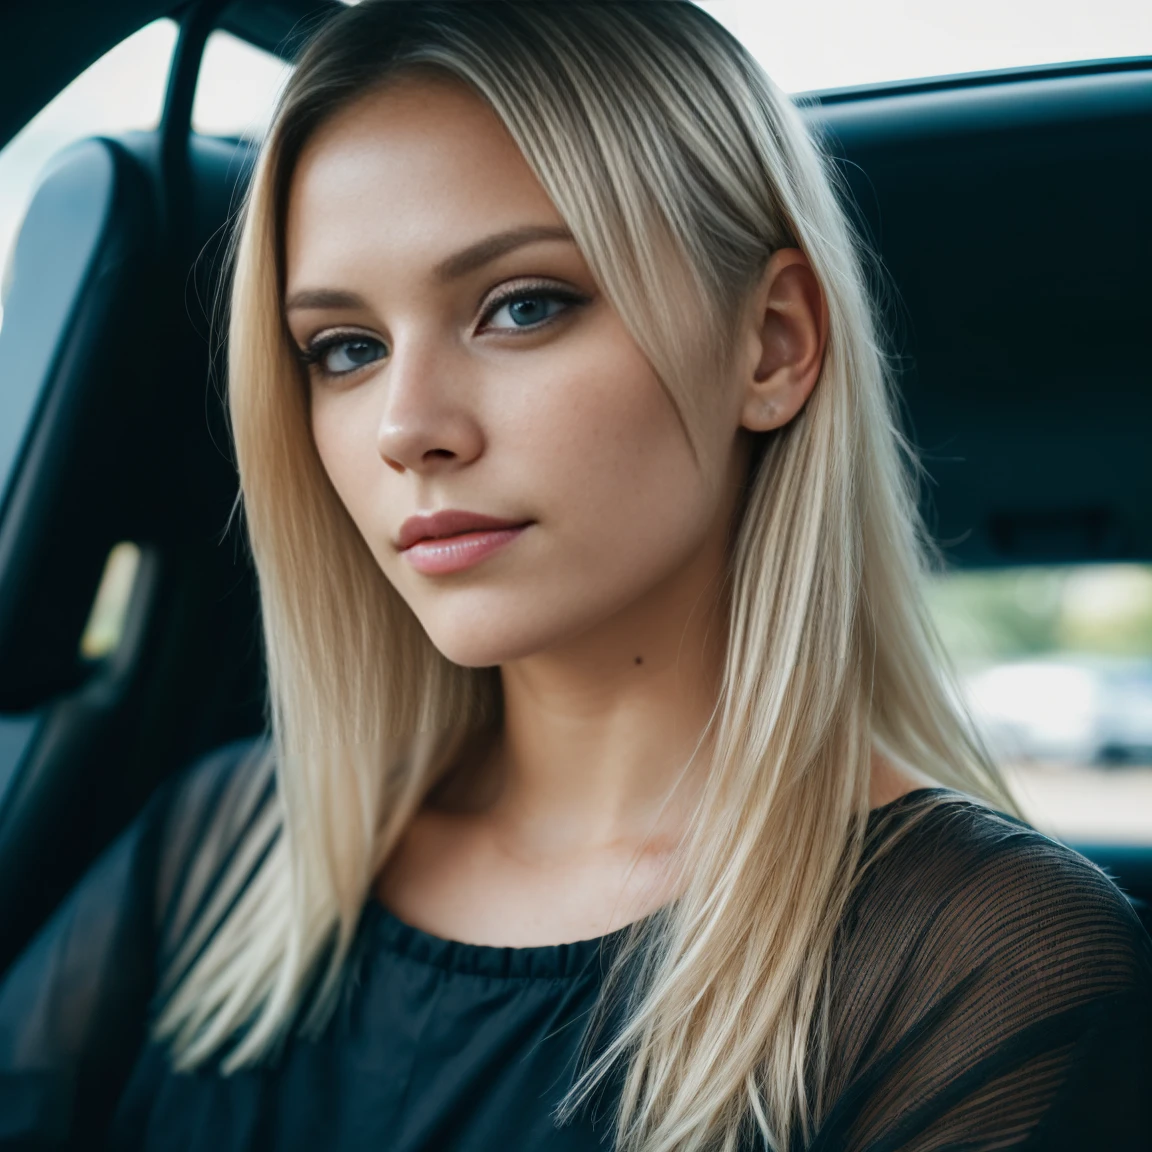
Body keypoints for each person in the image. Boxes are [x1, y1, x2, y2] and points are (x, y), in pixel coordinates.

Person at [1, 2, 1149, 1149]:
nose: (407, 428)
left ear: (774, 344)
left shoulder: (980, 961)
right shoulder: (224, 846)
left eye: (522, 306)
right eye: (345, 349)